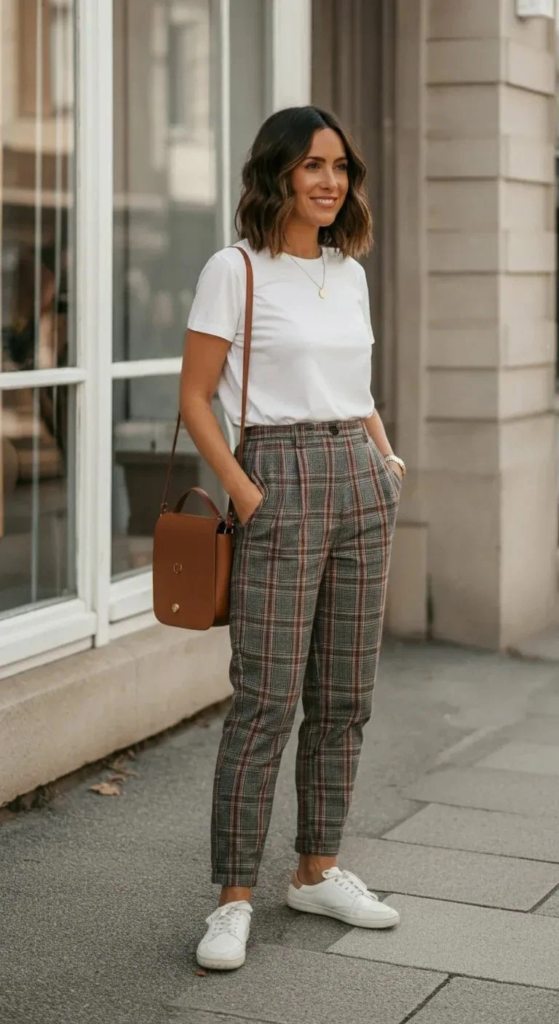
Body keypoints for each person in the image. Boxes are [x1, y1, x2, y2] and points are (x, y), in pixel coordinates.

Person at [180, 106, 406, 972]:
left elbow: (355, 384)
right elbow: (195, 396)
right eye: (311, 165)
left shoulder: (347, 272)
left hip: (357, 475)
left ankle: (316, 868)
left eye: (340, 167)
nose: (329, 181)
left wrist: (386, 465)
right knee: (265, 701)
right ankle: (232, 896)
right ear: (274, 172)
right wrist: (246, 492)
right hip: (276, 479)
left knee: (344, 696)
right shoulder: (232, 270)